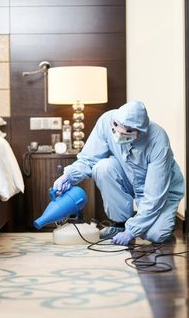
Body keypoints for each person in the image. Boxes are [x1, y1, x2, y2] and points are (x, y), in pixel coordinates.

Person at [53, 101, 184, 245]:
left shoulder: (158, 140)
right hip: (129, 177)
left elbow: (154, 196)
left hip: (162, 192)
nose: (118, 136)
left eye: (125, 133)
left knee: (155, 235)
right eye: (115, 129)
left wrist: (132, 231)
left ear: (139, 132)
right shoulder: (106, 120)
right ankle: (120, 224)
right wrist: (69, 176)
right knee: (103, 167)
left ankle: (159, 223)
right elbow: (89, 158)